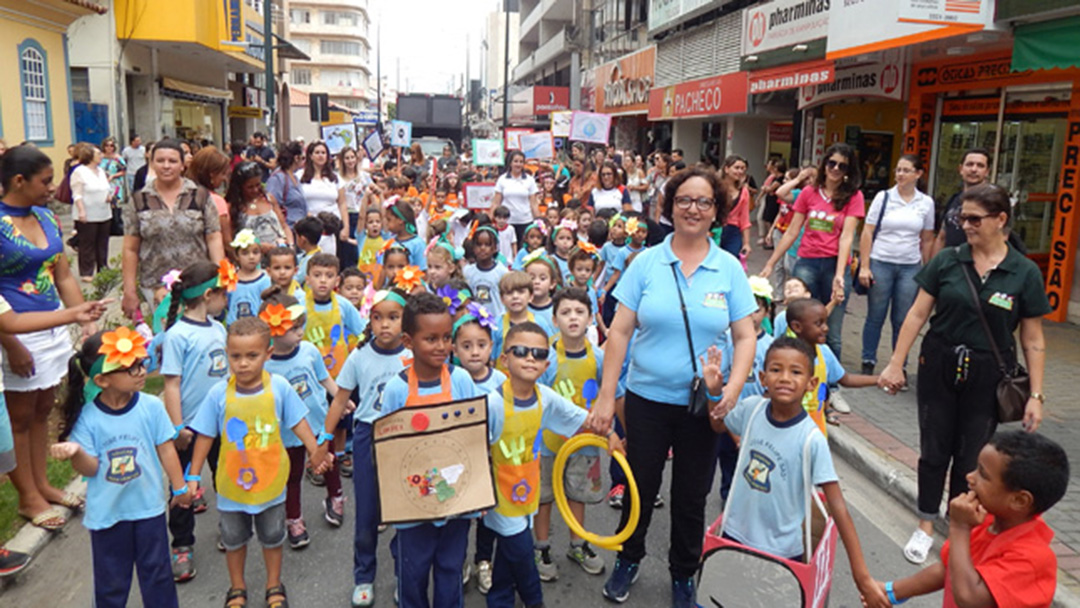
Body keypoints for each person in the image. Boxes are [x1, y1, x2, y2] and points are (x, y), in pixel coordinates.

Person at [587, 167, 758, 606]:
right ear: (669, 206)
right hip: (646, 400)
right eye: (684, 200)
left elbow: (745, 336)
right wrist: (607, 397)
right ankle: (629, 556)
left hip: (701, 406)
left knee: (690, 494)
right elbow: (619, 333)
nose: (693, 209)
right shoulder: (646, 262)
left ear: (716, 211)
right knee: (639, 484)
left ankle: (684, 572)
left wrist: (732, 392)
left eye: (703, 202)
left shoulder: (728, 269)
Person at [878, 183, 1051, 566]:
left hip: (989, 371)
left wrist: (1036, 396)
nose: (965, 225)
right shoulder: (948, 261)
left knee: (972, 458)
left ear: (1000, 219)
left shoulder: (1023, 272)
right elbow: (918, 313)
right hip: (939, 362)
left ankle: (959, 531)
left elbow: (1033, 338)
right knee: (934, 450)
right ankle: (925, 524)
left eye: (974, 218)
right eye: (961, 218)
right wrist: (896, 361)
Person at [706, 337, 891, 608]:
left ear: (811, 384)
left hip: (782, 551)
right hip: (734, 535)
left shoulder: (811, 439)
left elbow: (838, 506)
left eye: (796, 372)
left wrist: (862, 576)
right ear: (762, 377)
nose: (784, 378)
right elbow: (719, 426)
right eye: (776, 369)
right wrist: (713, 393)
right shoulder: (751, 409)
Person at [186, 317, 332, 608]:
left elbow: (299, 422)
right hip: (231, 486)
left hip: (271, 482)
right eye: (235, 356)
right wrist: (193, 476)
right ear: (227, 354)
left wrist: (315, 451)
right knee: (233, 539)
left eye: (252, 356)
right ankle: (237, 587)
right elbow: (204, 436)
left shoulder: (279, 387)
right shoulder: (218, 395)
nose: (242, 364)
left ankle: (273, 584)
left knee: (272, 536)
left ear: (267, 354)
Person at [52, 328, 190, 608]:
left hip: (148, 509)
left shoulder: (151, 406)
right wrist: (76, 452)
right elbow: (90, 470)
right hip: (108, 516)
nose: (141, 371)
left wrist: (181, 487)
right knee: (111, 584)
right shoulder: (88, 419)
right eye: (129, 368)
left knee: (158, 576)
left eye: (141, 362)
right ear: (102, 380)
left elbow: (166, 448)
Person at [1, 145, 96, 531]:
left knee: (43, 408)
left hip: (52, 326)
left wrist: (86, 321)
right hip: (15, 331)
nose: (51, 188)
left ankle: (41, 484)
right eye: (45, 181)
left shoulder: (46, 216)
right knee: (19, 416)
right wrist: (11, 344)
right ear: (18, 181)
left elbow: (63, 276)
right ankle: (27, 497)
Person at [482, 321, 610, 608]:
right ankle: (534, 600)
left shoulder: (545, 397)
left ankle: (499, 597)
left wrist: (611, 434)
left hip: (527, 490)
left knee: (508, 552)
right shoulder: (491, 403)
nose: (530, 358)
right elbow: (474, 449)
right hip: (499, 495)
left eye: (539, 354)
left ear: (546, 363)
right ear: (505, 358)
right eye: (521, 351)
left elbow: (582, 418)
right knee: (522, 552)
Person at [369, 293, 479, 608]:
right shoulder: (396, 389)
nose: (442, 346)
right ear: (408, 341)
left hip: (456, 499)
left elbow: (472, 439)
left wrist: (478, 493)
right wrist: (386, 499)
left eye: (447, 338)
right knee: (413, 571)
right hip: (411, 505)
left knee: (450, 568)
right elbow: (385, 448)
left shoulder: (461, 380)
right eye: (430, 338)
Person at [875, 430, 1067, 608]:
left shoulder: (1032, 559)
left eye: (982, 474)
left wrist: (959, 528)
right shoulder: (984, 521)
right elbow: (948, 569)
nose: (970, 477)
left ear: (1019, 500)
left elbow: (970, 598)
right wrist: (891, 592)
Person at [0, 294, 107, 576]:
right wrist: (74, 314)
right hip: (19, 344)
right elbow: (10, 322)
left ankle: (41, 486)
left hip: (40, 334)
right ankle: (28, 496)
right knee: (18, 422)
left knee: (33, 418)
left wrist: (74, 312)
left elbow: (10, 318)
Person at [322, 288, 411, 607]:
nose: (384, 324)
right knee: (368, 510)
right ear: (369, 320)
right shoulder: (359, 356)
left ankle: (405, 574)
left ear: (406, 320)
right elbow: (341, 399)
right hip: (367, 435)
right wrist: (324, 441)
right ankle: (364, 575)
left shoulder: (413, 354)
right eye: (377, 317)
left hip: (406, 436)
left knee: (405, 509)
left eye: (393, 317)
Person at [158, 260, 230, 581]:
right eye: (223, 294)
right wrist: (177, 428)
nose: (226, 300)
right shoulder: (177, 336)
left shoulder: (218, 328)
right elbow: (171, 384)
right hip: (190, 428)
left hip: (221, 423)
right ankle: (182, 544)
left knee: (224, 478)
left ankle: (228, 526)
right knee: (184, 486)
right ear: (208, 294)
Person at [759, 143, 864, 358]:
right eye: (832, 163)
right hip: (807, 261)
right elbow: (791, 231)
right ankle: (801, 366)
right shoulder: (809, 193)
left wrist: (838, 275)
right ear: (824, 164)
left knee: (831, 328)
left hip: (835, 263)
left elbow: (846, 237)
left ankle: (831, 381)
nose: (835, 169)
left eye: (842, 166)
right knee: (801, 319)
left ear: (848, 171)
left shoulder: (854, 197)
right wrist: (771, 263)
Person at [258, 289, 344, 549]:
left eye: (301, 326)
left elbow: (324, 378)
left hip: (318, 422)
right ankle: (294, 518)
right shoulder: (265, 363)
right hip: (286, 432)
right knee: (292, 475)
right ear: (272, 329)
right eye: (293, 328)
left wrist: (341, 398)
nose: (299, 332)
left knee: (328, 462)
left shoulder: (308, 350)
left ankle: (336, 496)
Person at [533, 288, 608, 582]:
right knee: (545, 496)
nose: (572, 318)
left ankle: (578, 544)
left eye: (579, 312)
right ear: (554, 319)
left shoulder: (599, 358)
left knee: (577, 494)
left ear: (590, 318)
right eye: (565, 312)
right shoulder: (546, 357)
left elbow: (607, 393)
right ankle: (541, 548)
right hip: (548, 442)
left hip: (585, 443)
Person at [121, 139, 225, 319]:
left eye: (172, 161)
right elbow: (130, 248)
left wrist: (219, 277)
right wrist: (129, 290)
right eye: (160, 161)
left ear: (183, 164)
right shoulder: (139, 199)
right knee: (166, 337)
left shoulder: (199, 195)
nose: (166, 166)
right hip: (155, 284)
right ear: (152, 163)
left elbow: (214, 237)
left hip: (197, 283)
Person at [857, 155, 936, 376]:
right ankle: (868, 360)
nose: (900, 174)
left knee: (903, 318)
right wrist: (865, 265)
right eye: (898, 170)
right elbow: (867, 231)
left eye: (906, 170)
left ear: (918, 174)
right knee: (876, 314)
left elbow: (928, 238)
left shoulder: (926, 203)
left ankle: (898, 364)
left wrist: (927, 270)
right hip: (881, 261)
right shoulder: (883, 198)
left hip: (910, 267)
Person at [785, 298, 878, 433]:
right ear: (797, 327)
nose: (826, 328)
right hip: (789, 428)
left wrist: (879, 379)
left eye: (826, 322)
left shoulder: (824, 353)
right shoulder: (784, 355)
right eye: (818, 324)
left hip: (815, 429)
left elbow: (846, 379)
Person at [933, 147, 990, 257]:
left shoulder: (994, 202)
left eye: (980, 165)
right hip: (949, 266)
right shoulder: (954, 199)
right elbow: (942, 237)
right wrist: (933, 268)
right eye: (969, 164)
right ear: (960, 169)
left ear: (987, 172)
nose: (974, 169)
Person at [226, 161, 291, 252]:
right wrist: (258, 246)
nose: (255, 190)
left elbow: (284, 226)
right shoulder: (233, 207)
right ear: (240, 187)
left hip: (278, 253)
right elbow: (230, 240)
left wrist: (290, 245)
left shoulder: (269, 199)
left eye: (258, 185)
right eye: (250, 187)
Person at [70, 143, 113, 282]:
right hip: (88, 213)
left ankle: (103, 268)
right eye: (98, 154)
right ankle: (86, 272)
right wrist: (81, 211)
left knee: (102, 242)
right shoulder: (79, 172)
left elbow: (105, 187)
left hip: (103, 212)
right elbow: (77, 194)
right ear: (89, 156)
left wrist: (109, 195)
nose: (101, 156)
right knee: (87, 244)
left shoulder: (100, 171)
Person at [299, 141, 348, 257]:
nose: (320, 155)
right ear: (310, 156)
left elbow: (342, 204)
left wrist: (346, 227)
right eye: (317, 152)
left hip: (331, 229)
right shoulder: (299, 176)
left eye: (323, 153)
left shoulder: (335, 178)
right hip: (309, 228)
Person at [187, 146, 235, 246]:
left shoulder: (183, 194)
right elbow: (226, 242)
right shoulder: (216, 201)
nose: (224, 179)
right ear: (212, 174)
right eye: (223, 174)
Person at [491, 151, 540, 242]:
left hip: (525, 221)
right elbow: (496, 203)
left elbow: (534, 204)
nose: (518, 164)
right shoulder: (502, 179)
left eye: (521, 162)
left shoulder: (530, 180)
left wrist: (539, 221)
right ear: (510, 163)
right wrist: (489, 220)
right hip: (506, 222)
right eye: (516, 161)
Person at [226, 230, 273, 325]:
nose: (251, 257)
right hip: (234, 326)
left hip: (257, 327)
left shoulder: (265, 280)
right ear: (236, 256)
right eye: (245, 253)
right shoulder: (230, 279)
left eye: (255, 253)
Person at [464, 226, 509, 319]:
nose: (483, 248)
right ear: (473, 247)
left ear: (495, 248)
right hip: (475, 320)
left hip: (497, 319)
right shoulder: (468, 271)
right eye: (479, 244)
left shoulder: (502, 272)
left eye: (487, 244)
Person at [339, 147, 370, 269]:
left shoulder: (364, 176)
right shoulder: (338, 178)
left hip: (362, 215)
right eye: (347, 158)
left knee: (361, 248)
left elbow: (373, 192)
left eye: (352, 157)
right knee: (347, 251)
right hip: (347, 216)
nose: (350, 160)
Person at [265, 141, 308, 229]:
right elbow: (271, 204)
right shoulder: (278, 178)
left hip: (300, 229)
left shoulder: (294, 177)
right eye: (302, 158)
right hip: (287, 228)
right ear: (296, 158)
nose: (304, 161)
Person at [718, 155, 753, 260]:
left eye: (743, 169)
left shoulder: (743, 192)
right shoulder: (715, 187)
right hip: (715, 228)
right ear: (727, 169)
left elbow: (745, 218)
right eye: (737, 168)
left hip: (733, 231)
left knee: (731, 261)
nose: (740, 171)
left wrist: (746, 243)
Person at [100, 136, 127, 206]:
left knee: (115, 204)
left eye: (111, 146)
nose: (109, 148)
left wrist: (113, 175)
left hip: (115, 183)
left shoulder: (118, 158)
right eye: (107, 145)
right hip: (102, 182)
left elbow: (123, 171)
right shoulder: (100, 158)